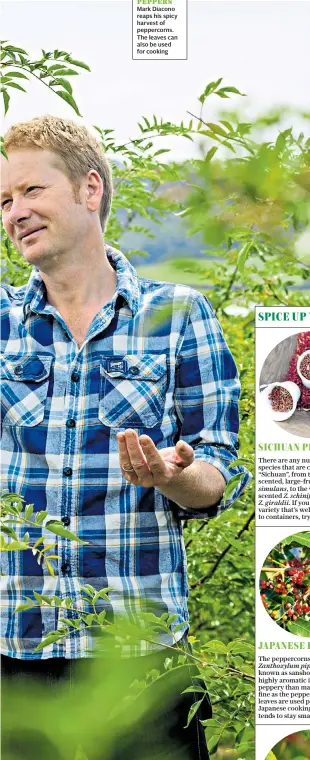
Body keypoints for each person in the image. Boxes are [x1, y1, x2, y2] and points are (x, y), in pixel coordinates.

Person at [0, 115, 251, 759]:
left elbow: (216, 476)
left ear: (89, 190)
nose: (15, 212)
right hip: (15, 658)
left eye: (31, 191)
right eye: (4, 200)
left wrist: (173, 475)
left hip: (141, 663)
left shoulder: (180, 317)